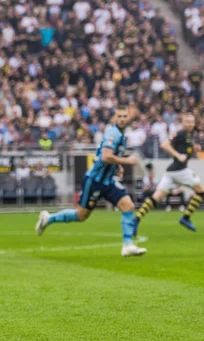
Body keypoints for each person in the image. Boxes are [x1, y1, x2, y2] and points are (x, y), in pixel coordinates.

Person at [35, 106, 147, 257]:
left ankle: (127, 245)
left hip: (108, 181)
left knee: (128, 205)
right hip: (94, 181)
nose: (121, 119)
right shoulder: (113, 133)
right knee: (81, 215)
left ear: (129, 118)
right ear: (114, 118)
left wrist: (117, 166)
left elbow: (109, 156)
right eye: (119, 116)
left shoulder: (122, 135)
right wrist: (126, 160)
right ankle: (49, 219)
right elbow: (106, 156)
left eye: (124, 116)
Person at [134, 113, 204, 233]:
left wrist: (194, 150)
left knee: (155, 198)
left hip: (171, 172)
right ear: (182, 122)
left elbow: (186, 151)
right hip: (180, 170)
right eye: (187, 121)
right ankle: (186, 217)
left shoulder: (189, 136)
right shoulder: (180, 134)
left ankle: (136, 220)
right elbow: (164, 144)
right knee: (201, 192)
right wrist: (178, 155)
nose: (190, 124)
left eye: (192, 122)